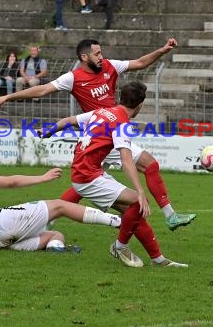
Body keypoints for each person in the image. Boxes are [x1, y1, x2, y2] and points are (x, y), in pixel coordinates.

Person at [0, 38, 196, 231]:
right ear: (84, 57)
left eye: (101, 52)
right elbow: (42, 90)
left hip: (112, 131)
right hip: (104, 136)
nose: (101, 57)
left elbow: (141, 63)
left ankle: (47, 220)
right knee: (149, 165)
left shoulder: (110, 66)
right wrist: (8, 97)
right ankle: (169, 216)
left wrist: (163, 49)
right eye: (97, 54)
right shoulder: (73, 78)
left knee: (83, 185)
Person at [41, 82, 186, 267]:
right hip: (88, 178)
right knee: (137, 201)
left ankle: (158, 259)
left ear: (120, 98)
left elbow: (68, 121)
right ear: (140, 105)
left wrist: (49, 132)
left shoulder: (101, 111)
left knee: (134, 212)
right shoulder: (122, 124)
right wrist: (141, 192)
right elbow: (126, 160)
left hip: (88, 174)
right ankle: (119, 246)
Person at [0, 150, 122, 251]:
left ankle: (57, 249)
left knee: (55, 236)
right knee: (60, 206)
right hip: (1, 223)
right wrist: (42, 178)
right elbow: (11, 182)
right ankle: (118, 221)